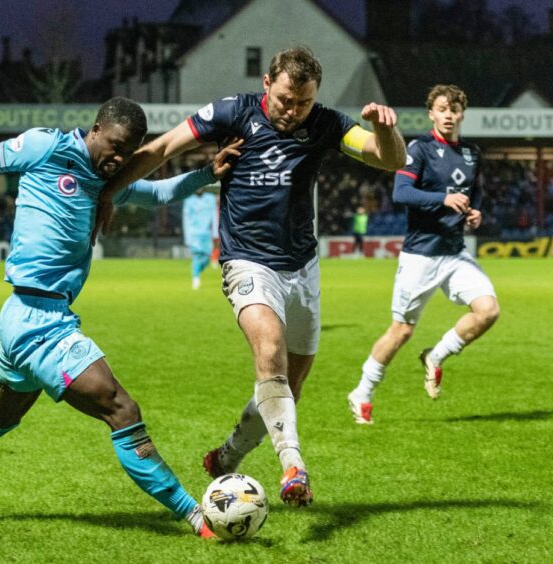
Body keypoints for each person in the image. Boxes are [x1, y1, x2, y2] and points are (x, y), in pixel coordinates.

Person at [0, 97, 241, 538]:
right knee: (122, 409)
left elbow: (159, 192)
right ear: (96, 129)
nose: (120, 160)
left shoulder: (106, 180)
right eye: (116, 146)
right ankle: (198, 519)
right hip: (40, 322)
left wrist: (206, 174)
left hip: (24, 318)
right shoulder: (45, 147)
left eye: (131, 152)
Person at [96, 47, 405, 506]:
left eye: (302, 103)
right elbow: (161, 148)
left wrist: (386, 128)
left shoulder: (324, 123)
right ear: (267, 84)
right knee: (270, 349)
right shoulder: (231, 112)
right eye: (284, 99)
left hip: (302, 268)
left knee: (288, 387)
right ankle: (293, 467)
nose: (292, 111)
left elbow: (389, 159)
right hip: (247, 261)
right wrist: (109, 192)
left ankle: (227, 456)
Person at [347, 84, 500, 425]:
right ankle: (362, 392)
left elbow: (474, 196)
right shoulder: (419, 149)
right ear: (432, 113)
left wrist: (475, 213)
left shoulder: (472, 154)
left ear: (462, 114)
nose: (449, 115)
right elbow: (401, 193)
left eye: (455, 110)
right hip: (421, 256)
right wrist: (442, 200)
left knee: (488, 310)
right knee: (401, 331)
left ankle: (436, 355)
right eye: (442, 109)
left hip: (455, 252)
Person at [182, 187, 218, 289]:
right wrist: (187, 238)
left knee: (207, 258)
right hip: (194, 234)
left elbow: (214, 216)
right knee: (197, 257)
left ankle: (197, 271)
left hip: (206, 233)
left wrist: (215, 233)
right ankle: (196, 278)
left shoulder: (210, 199)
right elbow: (186, 219)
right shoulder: (188, 200)